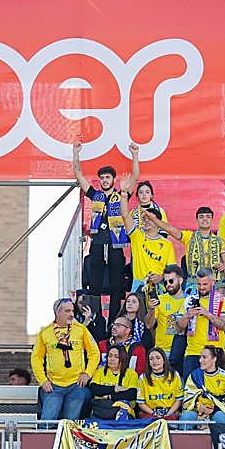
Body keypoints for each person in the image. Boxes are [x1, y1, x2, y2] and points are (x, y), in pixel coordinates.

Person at [72, 141, 138, 321]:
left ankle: (115, 321)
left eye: (107, 177)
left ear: (113, 180)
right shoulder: (96, 195)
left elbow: (135, 178)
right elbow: (79, 176)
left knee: (117, 286)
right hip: (98, 244)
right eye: (101, 178)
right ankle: (97, 321)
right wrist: (76, 154)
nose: (104, 180)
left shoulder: (121, 194)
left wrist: (134, 156)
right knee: (94, 286)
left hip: (116, 245)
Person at [31, 298, 99, 421]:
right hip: (53, 386)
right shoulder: (45, 333)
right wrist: (43, 381)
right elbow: (36, 358)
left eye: (72, 310)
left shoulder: (81, 329)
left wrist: (87, 374)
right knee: (47, 423)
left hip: (76, 385)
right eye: (67, 311)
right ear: (58, 313)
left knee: (69, 424)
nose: (72, 314)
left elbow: (94, 353)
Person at [120, 186, 179, 293]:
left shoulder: (167, 244)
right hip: (139, 286)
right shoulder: (137, 236)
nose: (146, 221)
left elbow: (172, 270)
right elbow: (124, 214)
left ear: (158, 222)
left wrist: (161, 277)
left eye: (150, 219)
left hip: (159, 287)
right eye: (144, 219)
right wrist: (124, 194)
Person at [177, 268, 225, 379]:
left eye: (205, 284)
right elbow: (178, 328)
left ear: (213, 282)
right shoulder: (189, 300)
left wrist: (207, 313)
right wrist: (187, 315)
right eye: (199, 284)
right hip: (193, 353)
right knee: (191, 391)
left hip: (215, 353)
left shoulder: (223, 301)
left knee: (214, 391)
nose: (201, 287)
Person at [145, 265, 188, 372]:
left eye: (171, 281)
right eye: (165, 282)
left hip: (184, 352)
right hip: (162, 352)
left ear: (181, 280)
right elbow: (149, 325)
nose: (168, 285)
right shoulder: (160, 299)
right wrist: (151, 310)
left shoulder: (190, 300)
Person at [180, 345, 225, 423]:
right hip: (197, 411)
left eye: (204, 357)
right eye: (200, 357)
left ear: (214, 359)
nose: (200, 360)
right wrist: (198, 407)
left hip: (217, 411)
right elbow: (188, 400)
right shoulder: (194, 375)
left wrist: (212, 410)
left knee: (220, 417)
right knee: (186, 418)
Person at [88, 346, 140, 420]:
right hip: (101, 410)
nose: (112, 359)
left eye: (116, 357)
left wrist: (109, 396)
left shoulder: (131, 373)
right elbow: (94, 388)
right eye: (110, 356)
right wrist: (115, 389)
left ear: (122, 359)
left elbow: (131, 394)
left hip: (123, 410)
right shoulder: (100, 371)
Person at [137, 347, 182, 419]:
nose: (154, 361)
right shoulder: (143, 378)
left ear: (164, 360)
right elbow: (141, 403)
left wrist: (168, 413)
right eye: (151, 359)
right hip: (150, 413)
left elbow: (179, 399)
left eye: (158, 358)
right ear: (148, 362)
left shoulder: (174, 375)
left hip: (171, 412)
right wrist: (154, 413)